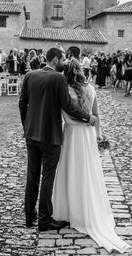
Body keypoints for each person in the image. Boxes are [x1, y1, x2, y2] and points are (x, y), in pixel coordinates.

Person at [52, 60, 132, 253]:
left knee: (70, 170)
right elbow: (96, 114)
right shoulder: (90, 89)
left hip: (70, 134)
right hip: (87, 135)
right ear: (80, 71)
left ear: (65, 73)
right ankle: (86, 210)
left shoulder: (64, 90)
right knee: (87, 172)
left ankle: (69, 211)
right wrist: (99, 135)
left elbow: (60, 114)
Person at [18, 48, 97, 231]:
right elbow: (68, 107)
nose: (64, 62)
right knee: (47, 177)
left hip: (31, 135)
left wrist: (27, 127)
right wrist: (87, 117)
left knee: (32, 175)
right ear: (55, 59)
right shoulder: (59, 78)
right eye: (62, 59)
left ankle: (29, 217)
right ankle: (45, 220)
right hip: (51, 137)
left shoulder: (30, 75)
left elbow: (22, 103)